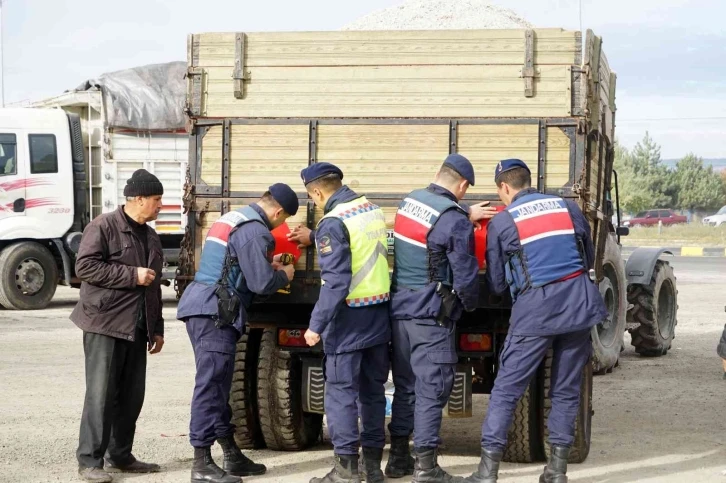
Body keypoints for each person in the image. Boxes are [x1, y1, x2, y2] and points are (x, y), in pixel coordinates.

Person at [462, 159, 607, 483]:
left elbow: (498, 283)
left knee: (506, 391)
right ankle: (556, 471)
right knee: (566, 390)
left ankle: (487, 472)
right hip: (578, 306)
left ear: (504, 188)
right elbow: (585, 254)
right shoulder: (566, 208)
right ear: (528, 182)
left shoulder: (504, 221)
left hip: (535, 312)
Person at [378, 154, 493, 483]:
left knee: (405, 387)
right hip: (432, 315)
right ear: (463, 185)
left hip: (400, 310)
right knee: (432, 389)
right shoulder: (454, 219)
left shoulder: (410, 202)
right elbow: (465, 274)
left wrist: (464, 213)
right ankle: (426, 467)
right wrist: (469, 305)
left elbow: (429, 234)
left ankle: (398, 458)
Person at [176, 184, 298, 483]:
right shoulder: (257, 231)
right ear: (278, 212)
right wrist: (284, 274)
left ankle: (231, 454)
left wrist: (265, 265)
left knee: (219, 385)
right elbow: (260, 284)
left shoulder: (232, 218)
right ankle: (202, 462)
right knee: (211, 385)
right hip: (216, 311)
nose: (281, 226)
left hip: (204, 305)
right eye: (284, 221)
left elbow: (232, 264)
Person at [71, 169, 166, 483]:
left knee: (131, 396)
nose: (160, 205)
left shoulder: (151, 236)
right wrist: (131, 275)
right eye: (156, 199)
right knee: (101, 394)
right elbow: (84, 267)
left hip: (137, 329)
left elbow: (153, 287)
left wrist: (157, 328)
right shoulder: (104, 226)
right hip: (105, 323)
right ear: (138, 199)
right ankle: (90, 462)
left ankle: (121, 456)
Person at [299, 163, 391, 483]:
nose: (315, 204)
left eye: (313, 199)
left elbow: (336, 281)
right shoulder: (371, 210)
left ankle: (346, 470)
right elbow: (364, 251)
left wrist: (316, 325)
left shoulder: (333, 222)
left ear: (318, 191)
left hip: (349, 318)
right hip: (378, 314)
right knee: (373, 392)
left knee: (340, 393)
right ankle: (373, 467)